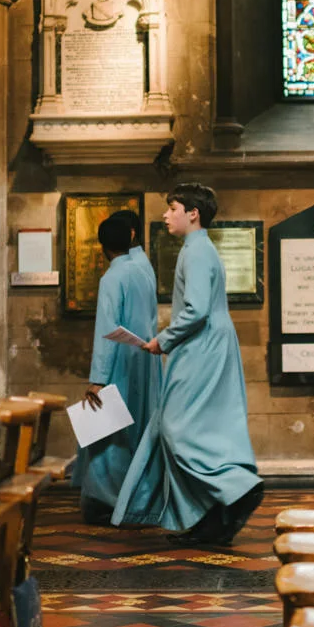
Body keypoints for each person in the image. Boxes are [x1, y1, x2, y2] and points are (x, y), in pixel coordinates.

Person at [111, 183, 264, 543]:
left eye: (173, 208)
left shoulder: (195, 252)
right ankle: (211, 517)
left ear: (192, 213)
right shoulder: (200, 249)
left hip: (201, 346)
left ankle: (237, 489)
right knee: (196, 427)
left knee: (176, 428)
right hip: (206, 344)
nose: (166, 215)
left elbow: (195, 310)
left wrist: (162, 340)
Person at [74, 212, 161, 526]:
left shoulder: (112, 277)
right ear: (133, 237)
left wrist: (97, 379)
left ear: (102, 249)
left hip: (120, 362)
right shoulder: (144, 267)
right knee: (142, 431)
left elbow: (107, 330)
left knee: (110, 434)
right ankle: (143, 496)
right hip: (146, 360)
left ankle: (109, 500)